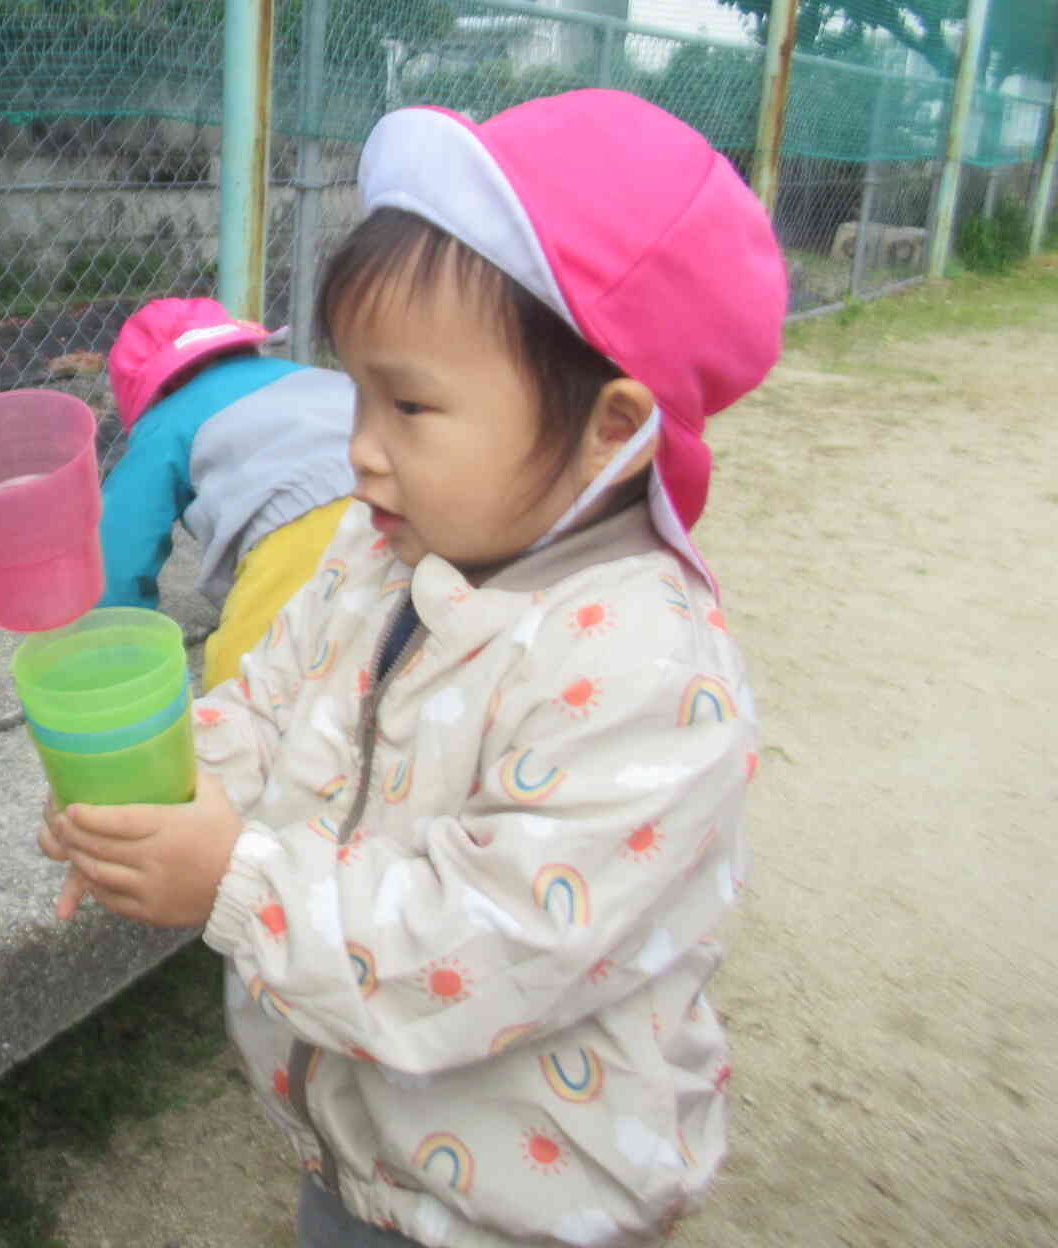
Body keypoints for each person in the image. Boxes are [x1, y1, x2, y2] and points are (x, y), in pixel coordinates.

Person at [43, 90, 786, 1248]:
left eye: (411, 405)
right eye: (355, 391)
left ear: (610, 426)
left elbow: (488, 942)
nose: (359, 448)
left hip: (528, 1198)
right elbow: (269, 697)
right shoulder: (378, 549)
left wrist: (232, 882)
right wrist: (162, 796)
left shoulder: (645, 669)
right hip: (365, 1152)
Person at [98, 297, 354, 691]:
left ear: (152, 394)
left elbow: (123, 537)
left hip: (306, 522)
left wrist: (119, 635)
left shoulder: (167, 420)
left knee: (244, 685)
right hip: (404, 490)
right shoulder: (303, 373)